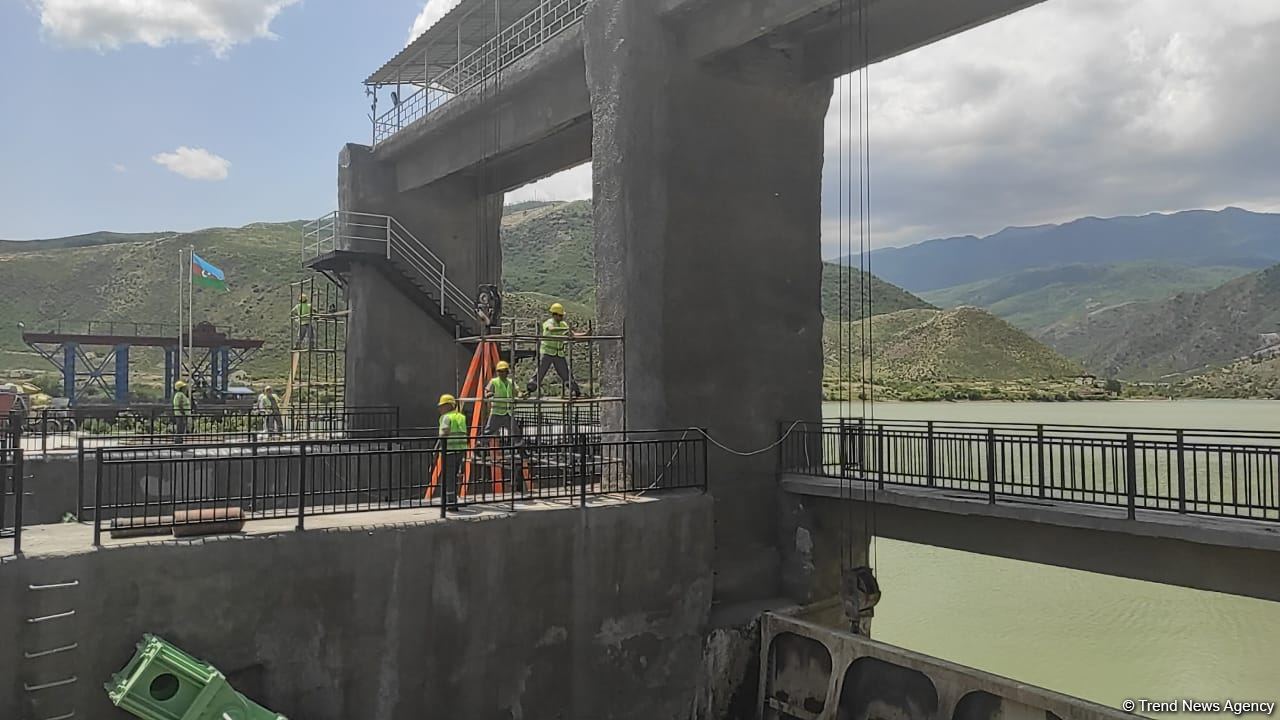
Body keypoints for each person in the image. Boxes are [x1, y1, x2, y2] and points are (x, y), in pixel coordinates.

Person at [526, 302, 583, 397]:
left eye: (562, 315)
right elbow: (551, 329)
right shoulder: (548, 323)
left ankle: (575, 391)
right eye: (560, 315)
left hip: (558, 353)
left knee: (566, 374)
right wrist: (566, 329)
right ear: (554, 315)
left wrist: (585, 334)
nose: (561, 317)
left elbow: (572, 334)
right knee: (540, 372)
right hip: (547, 352)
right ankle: (529, 389)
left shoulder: (563, 324)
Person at [437, 394, 468, 508]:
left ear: (449, 406)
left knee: (448, 478)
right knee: (454, 477)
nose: (440, 408)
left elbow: (444, 433)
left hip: (449, 451)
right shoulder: (461, 417)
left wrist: (440, 444)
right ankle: (452, 500)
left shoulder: (446, 417)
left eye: (442, 406)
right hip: (460, 451)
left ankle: (449, 503)